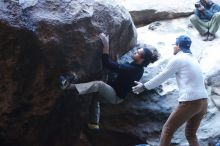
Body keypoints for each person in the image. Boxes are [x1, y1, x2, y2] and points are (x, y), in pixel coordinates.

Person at [59, 33, 159, 132]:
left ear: (142, 59)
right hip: (115, 91)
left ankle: (68, 86)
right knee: (96, 97)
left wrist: (106, 45)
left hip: (116, 96)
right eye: (137, 51)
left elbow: (107, 63)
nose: (135, 52)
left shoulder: (133, 69)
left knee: (99, 85)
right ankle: (94, 123)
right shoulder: (137, 68)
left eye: (138, 53)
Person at [132, 35, 208, 146]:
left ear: (178, 46)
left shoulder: (178, 58)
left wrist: (144, 86)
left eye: (174, 44)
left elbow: (162, 76)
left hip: (191, 102)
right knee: (191, 134)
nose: (173, 47)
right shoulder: (193, 59)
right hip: (203, 102)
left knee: (167, 130)